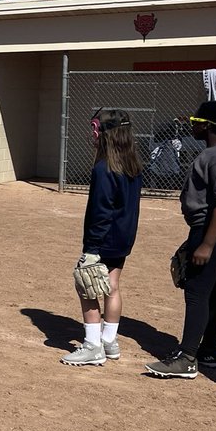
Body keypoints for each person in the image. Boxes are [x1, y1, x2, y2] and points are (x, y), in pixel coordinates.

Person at [145, 100, 216, 379]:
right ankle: (210, 351)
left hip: (215, 226)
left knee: (197, 289)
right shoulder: (213, 152)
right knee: (212, 289)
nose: (192, 123)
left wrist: (207, 243)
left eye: (196, 119)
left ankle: (187, 357)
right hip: (212, 226)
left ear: (209, 125)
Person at [60, 109, 144, 366]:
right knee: (112, 286)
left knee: (86, 286)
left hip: (104, 239)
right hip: (123, 238)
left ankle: (93, 345)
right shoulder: (133, 165)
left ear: (105, 134)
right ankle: (110, 340)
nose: (92, 134)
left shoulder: (104, 168)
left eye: (95, 129)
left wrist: (92, 248)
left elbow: (101, 211)